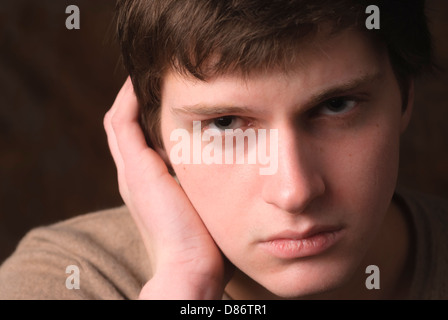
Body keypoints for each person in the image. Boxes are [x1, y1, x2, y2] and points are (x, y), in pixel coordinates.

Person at [1, 0, 447, 300]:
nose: (295, 192)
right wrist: (185, 284)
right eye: (225, 123)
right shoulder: (62, 281)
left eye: (335, 106)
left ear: (405, 96)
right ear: (151, 133)